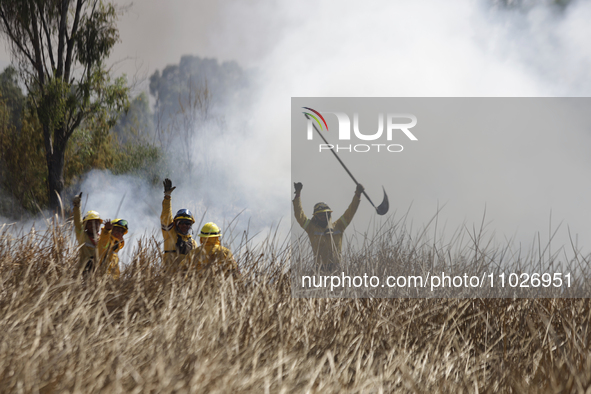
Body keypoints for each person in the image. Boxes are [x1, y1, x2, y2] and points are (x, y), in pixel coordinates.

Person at [292, 182, 364, 273]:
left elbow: (350, 212)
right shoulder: (311, 228)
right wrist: (298, 195)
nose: (323, 216)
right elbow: (299, 215)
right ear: (316, 216)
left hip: (337, 268)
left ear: (329, 214)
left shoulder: (339, 226)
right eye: (320, 215)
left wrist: (358, 195)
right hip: (320, 270)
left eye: (326, 214)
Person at [161, 178, 197, 268]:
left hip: (186, 280)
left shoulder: (193, 243)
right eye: (181, 222)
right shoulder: (170, 235)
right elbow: (166, 217)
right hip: (169, 279)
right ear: (176, 224)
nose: (184, 225)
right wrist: (167, 197)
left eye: (187, 223)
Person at [73, 192, 102, 276]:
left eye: (96, 223)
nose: (94, 225)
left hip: (98, 274)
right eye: (90, 223)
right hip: (85, 273)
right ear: (85, 226)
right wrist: (77, 206)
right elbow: (78, 223)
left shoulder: (103, 238)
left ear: (100, 225)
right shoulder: (83, 236)